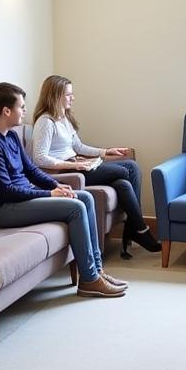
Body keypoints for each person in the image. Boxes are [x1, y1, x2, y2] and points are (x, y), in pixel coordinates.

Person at [0, 82, 126, 298]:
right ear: (6, 111)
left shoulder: (11, 136)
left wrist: (55, 185)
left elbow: (31, 170)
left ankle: (96, 271)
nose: (25, 111)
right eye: (21, 107)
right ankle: (89, 280)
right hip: (4, 210)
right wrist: (49, 194)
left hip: (22, 201)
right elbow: (6, 191)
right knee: (76, 208)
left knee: (86, 198)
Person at [30, 74, 160, 258]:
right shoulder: (46, 121)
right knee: (128, 169)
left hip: (77, 165)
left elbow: (78, 147)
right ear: (55, 95)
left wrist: (106, 152)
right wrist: (72, 165)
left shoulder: (64, 118)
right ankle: (138, 228)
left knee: (124, 182)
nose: (72, 98)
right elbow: (40, 158)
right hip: (66, 173)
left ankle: (135, 228)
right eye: (68, 94)